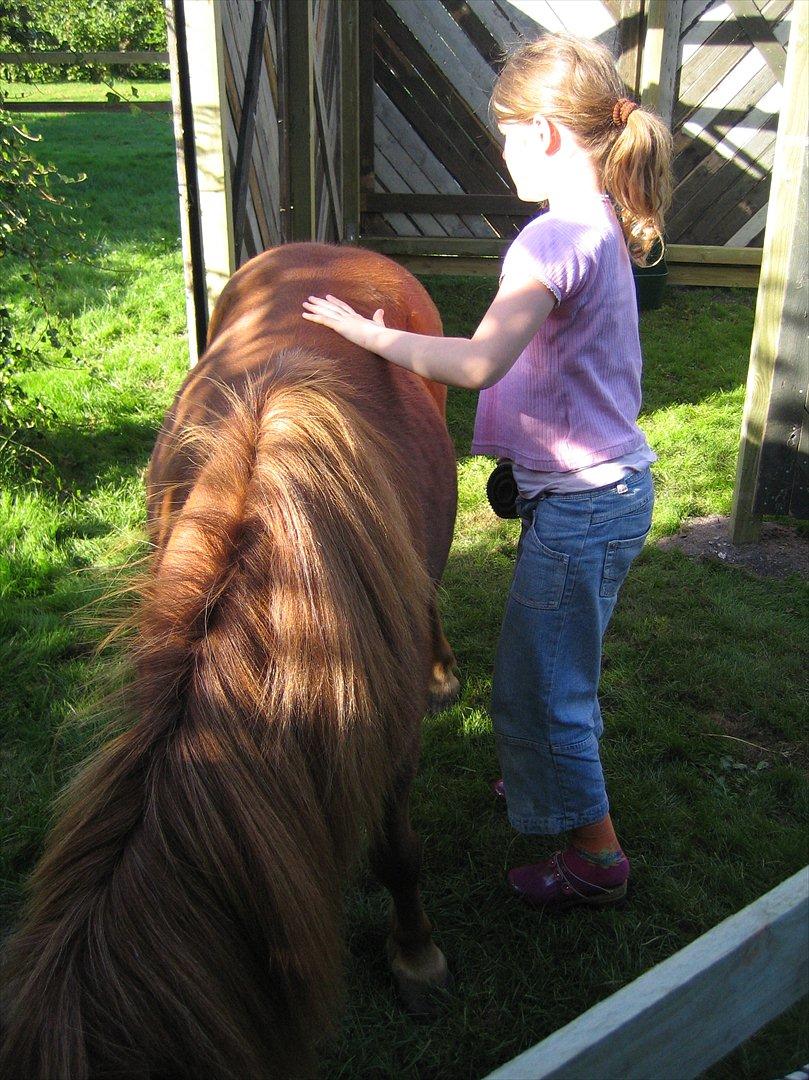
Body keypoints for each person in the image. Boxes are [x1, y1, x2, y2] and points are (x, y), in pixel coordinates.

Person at [302, 32, 672, 911]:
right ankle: (544, 781)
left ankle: (593, 857)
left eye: (504, 133)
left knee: (544, 689)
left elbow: (476, 365)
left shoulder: (550, 239)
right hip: (606, 493)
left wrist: (365, 334)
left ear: (544, 133)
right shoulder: (602, 224)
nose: (501, 151)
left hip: (585, 505)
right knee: (539, 672)